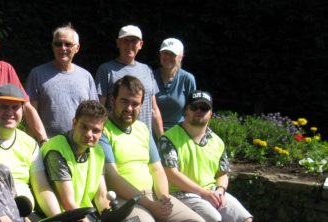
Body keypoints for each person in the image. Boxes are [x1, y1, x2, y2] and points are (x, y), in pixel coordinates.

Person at [100, 75, 204, 221]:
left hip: (154, 195)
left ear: (141, 106)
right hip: (125, 200)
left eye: (135, 104)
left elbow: (157, 169)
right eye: (124, 101)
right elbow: (113, 178)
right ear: (113, 100)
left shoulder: (143, 129)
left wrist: (164, 199)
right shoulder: (102, 130)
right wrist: (149, 204)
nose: (129, 108)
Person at [159, 90, 253, 222]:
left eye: (204, 108)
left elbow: (222, 174)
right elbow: (171, 174)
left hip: (212, 191)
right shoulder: (169, 138)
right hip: (180, 194)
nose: (199, 111)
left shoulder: (218, 142)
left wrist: (220, 191)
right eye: (194, 107)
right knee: (213, 218)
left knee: (245, 219)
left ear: (211, 114)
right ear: (186, 110)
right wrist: (203, 193)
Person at [0, 84, 61, 218]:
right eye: (3, 106)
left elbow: (42, 189)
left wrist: (58, 218)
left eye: (15, 107)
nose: (9, 112)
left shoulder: (30, 144)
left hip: (27, 214)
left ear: (23, 110)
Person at [26, 24, 98, 138]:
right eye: (58, 44)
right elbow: (29, 112)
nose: (62, 48)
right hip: (48, 144)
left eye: (68, 44)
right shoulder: (37, 74)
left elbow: (94, 114)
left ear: (77, 48)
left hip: (79, 143)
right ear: (53, 47)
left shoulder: (86, 76)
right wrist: (38, 142)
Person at [42, 100, 110, 218]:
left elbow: (102, 198)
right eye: (84, 127)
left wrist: (112, 217)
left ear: (102, 132)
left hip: (85, 215)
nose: (89, 134)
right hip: (64, 217)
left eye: (96, 131)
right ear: (74, 123)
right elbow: (68, 204)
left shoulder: (98, 151)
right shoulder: (56, 150)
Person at [95, 24, 164, 141]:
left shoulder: (147, 70)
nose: (129, 45)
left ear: (140, 45)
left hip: (144, 139)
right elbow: (100, 107)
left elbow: (154, 109)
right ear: (118, 43)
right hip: (116, 137)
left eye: (134, 41)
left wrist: (163, 139)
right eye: (125, 41)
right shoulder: (106, 69)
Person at [153, 38, 197, 130]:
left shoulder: (187, 79)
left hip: (179, 131)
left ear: (181, 57)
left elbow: (192, 110)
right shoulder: (151, 77)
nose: (168, 57)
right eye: (165, 53)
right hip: (152, 130)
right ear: (160, 55)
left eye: (172, 54)